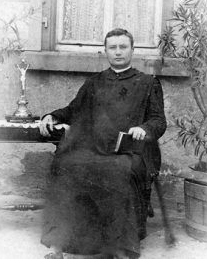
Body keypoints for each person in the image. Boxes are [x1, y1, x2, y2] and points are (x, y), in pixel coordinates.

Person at [39, 28, 166, 259]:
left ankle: (119, 248)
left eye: (123, 47)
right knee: (66, 164)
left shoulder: (148, 83)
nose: (118, 52)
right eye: (113, 47)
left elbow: (159, 121)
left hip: (128, 153)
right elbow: (72, 110)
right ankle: (61, 243)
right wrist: (52, 116)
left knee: (119, 172)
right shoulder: (94, 83)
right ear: (105, 51)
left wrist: (144, 129)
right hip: (94, 149)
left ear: (132, 50)